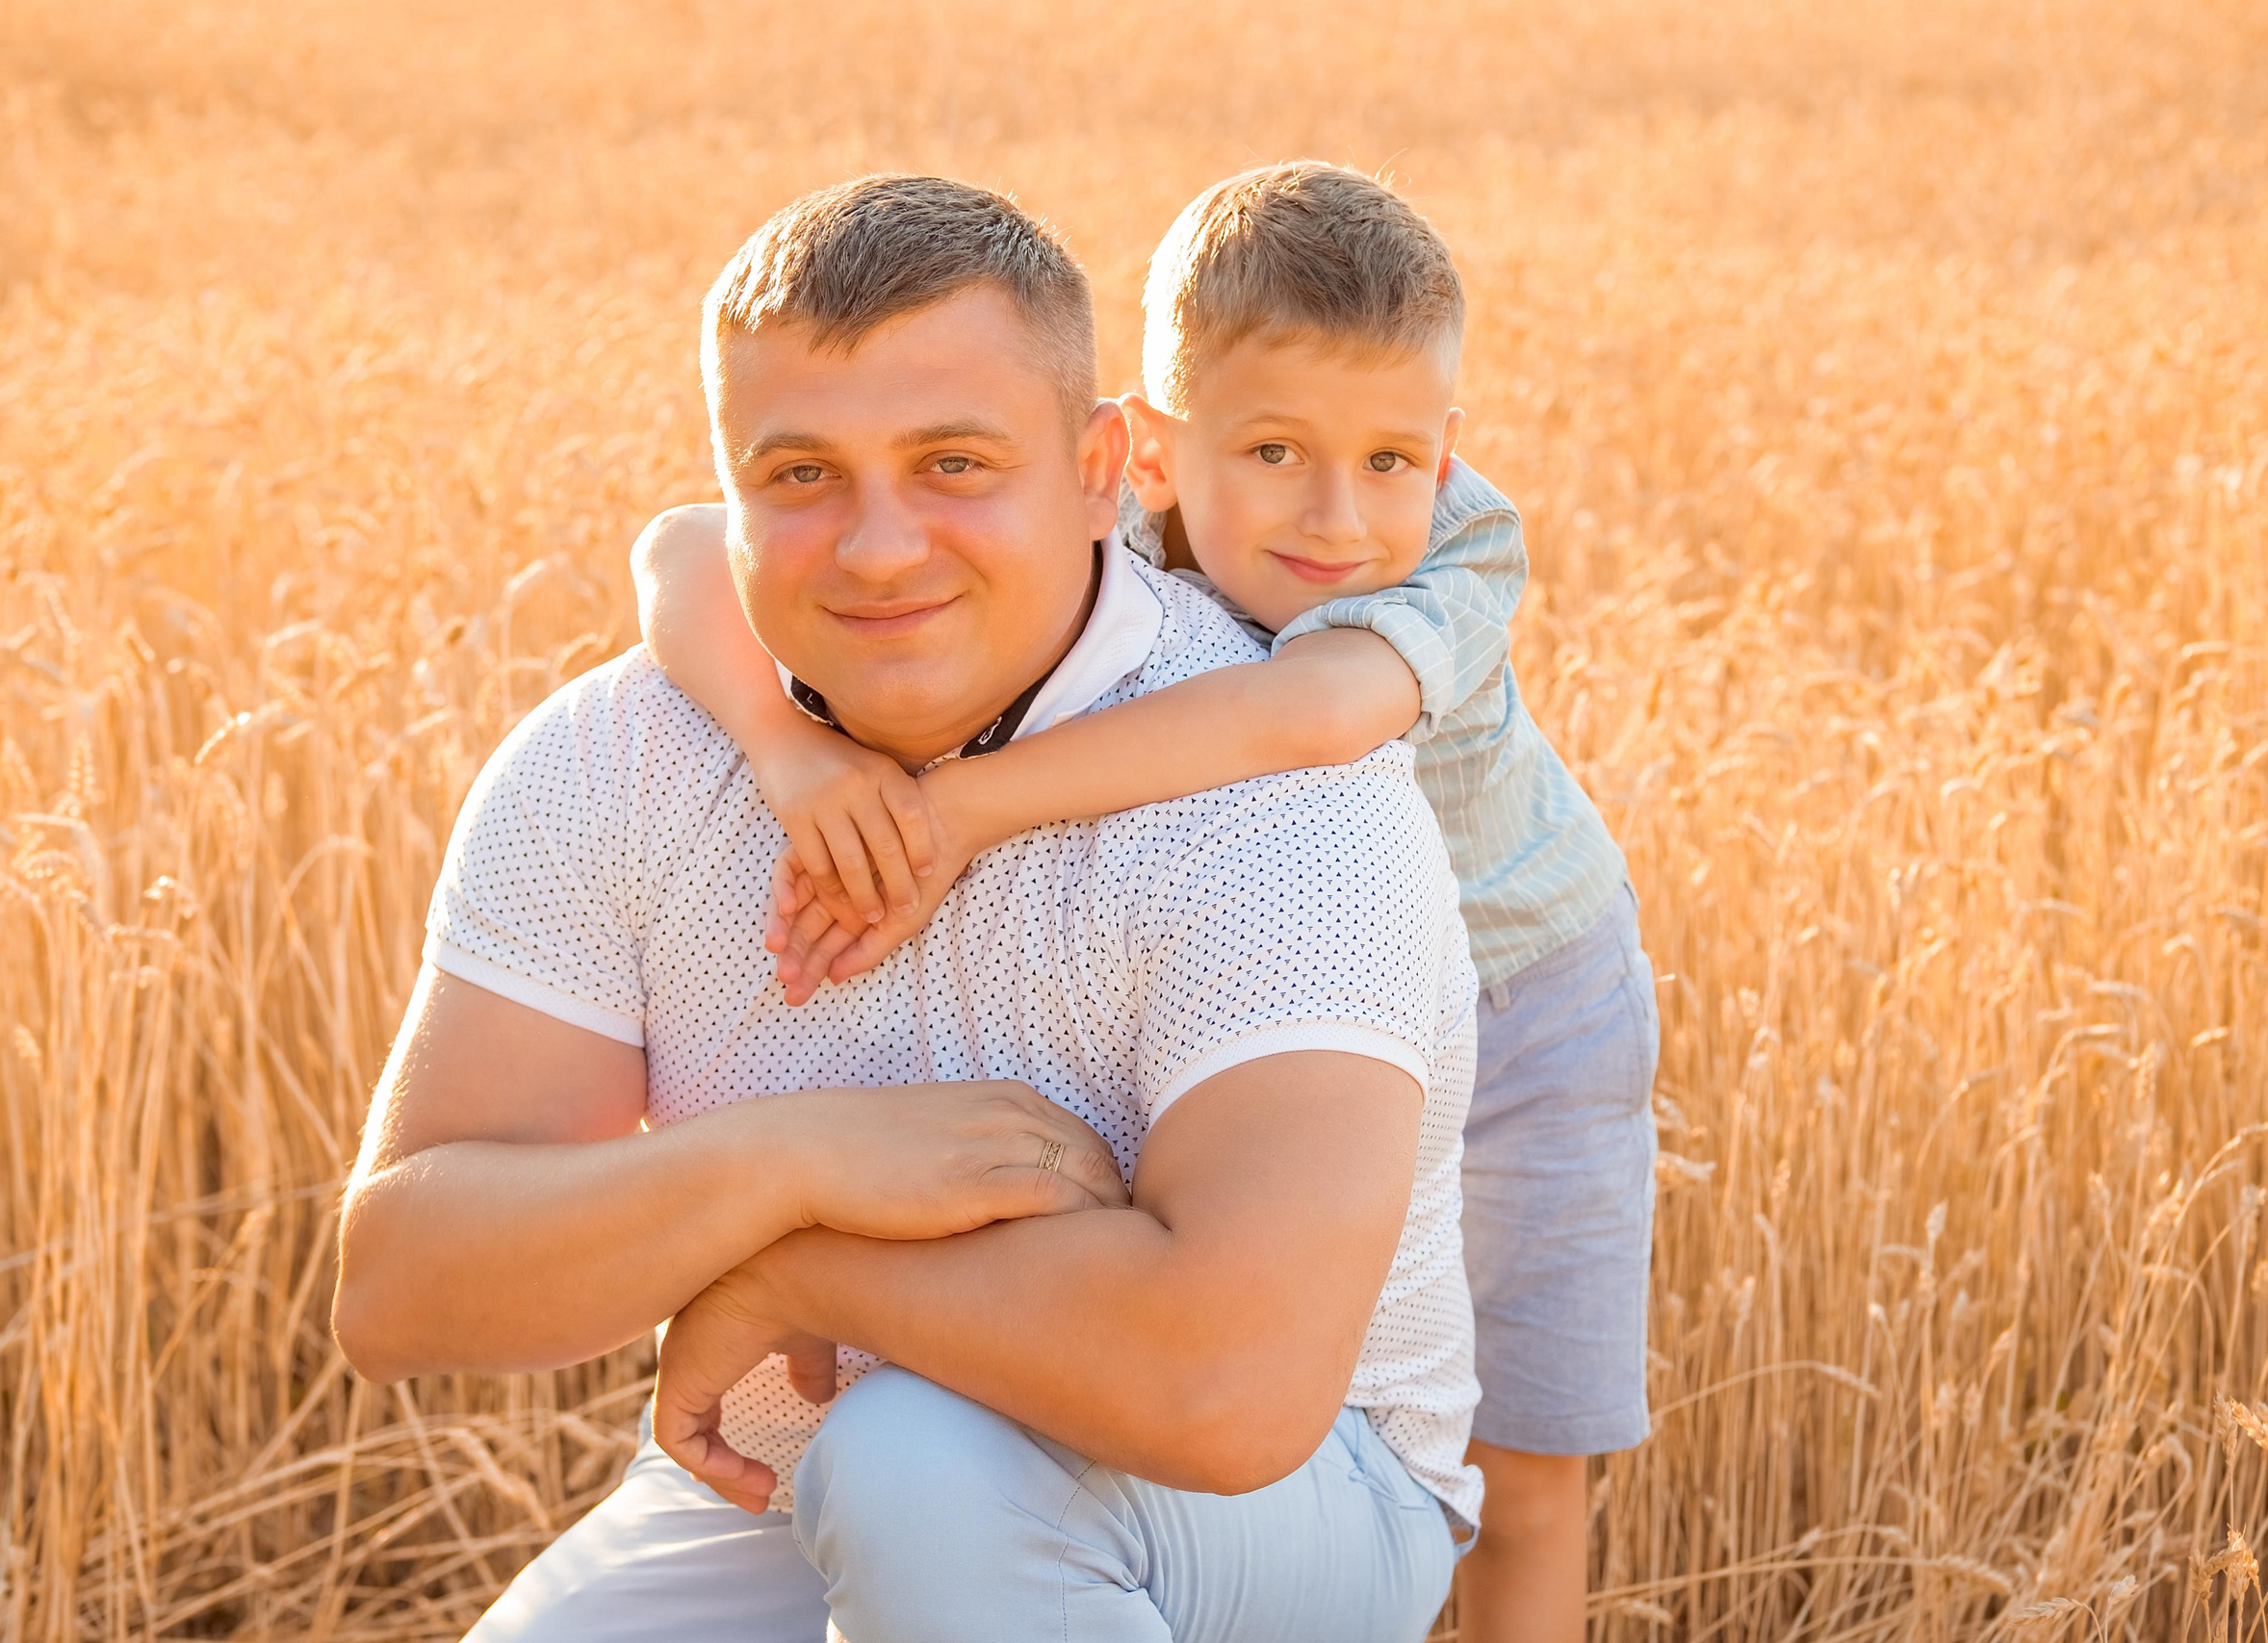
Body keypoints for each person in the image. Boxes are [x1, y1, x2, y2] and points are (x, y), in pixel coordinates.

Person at [334, 171, 1482, 1643]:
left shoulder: (1281, 788)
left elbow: (1229, 1390)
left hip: (1290, 1497)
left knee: (917, 1467)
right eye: (802, 475)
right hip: (783, 1469)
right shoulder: (623, 753)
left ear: (1101, 470)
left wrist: (798, 1271)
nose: (878, 550)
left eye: (953, 464)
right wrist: (797, 1160)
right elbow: (402, 1288)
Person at [641, 162, 1660, 1643]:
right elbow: (681, 550)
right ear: (1154, 456)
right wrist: (789, 752)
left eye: (1391, 458)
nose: (1337, 515)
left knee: (1523, 1468)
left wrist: (956, 811)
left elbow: (1309, 713)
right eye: (1274, 450)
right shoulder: (1105, 512)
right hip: (1296, 1010)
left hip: (1529, 1003)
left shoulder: (1454, 545)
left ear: (1446, 459)